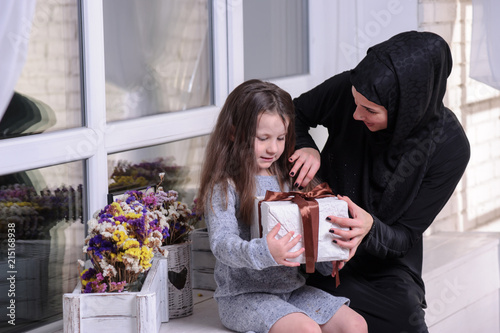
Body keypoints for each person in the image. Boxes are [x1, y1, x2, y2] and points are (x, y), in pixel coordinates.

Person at [289, 31, 470, 332]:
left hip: (385, 263)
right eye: (355, 103)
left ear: (406, 108)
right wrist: (303, 143)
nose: (356, 114)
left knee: (405, 318)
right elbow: (293, 112)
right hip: (321, 245)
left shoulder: (450, 147)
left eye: (370, 110)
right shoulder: (352, 89)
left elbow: (404, 236)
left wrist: (369, 229)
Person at [197, 79, 368, 333]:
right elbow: (222, 244)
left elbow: (308, 238)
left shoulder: (289, 179)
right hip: (243, 297)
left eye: (280, 137)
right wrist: (265, 251)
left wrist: (329, 254)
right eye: (263, 138)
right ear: (234, 133)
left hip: (292, 291)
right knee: (306, 330)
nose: (273, 148)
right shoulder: (224, 186)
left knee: (355, 325)